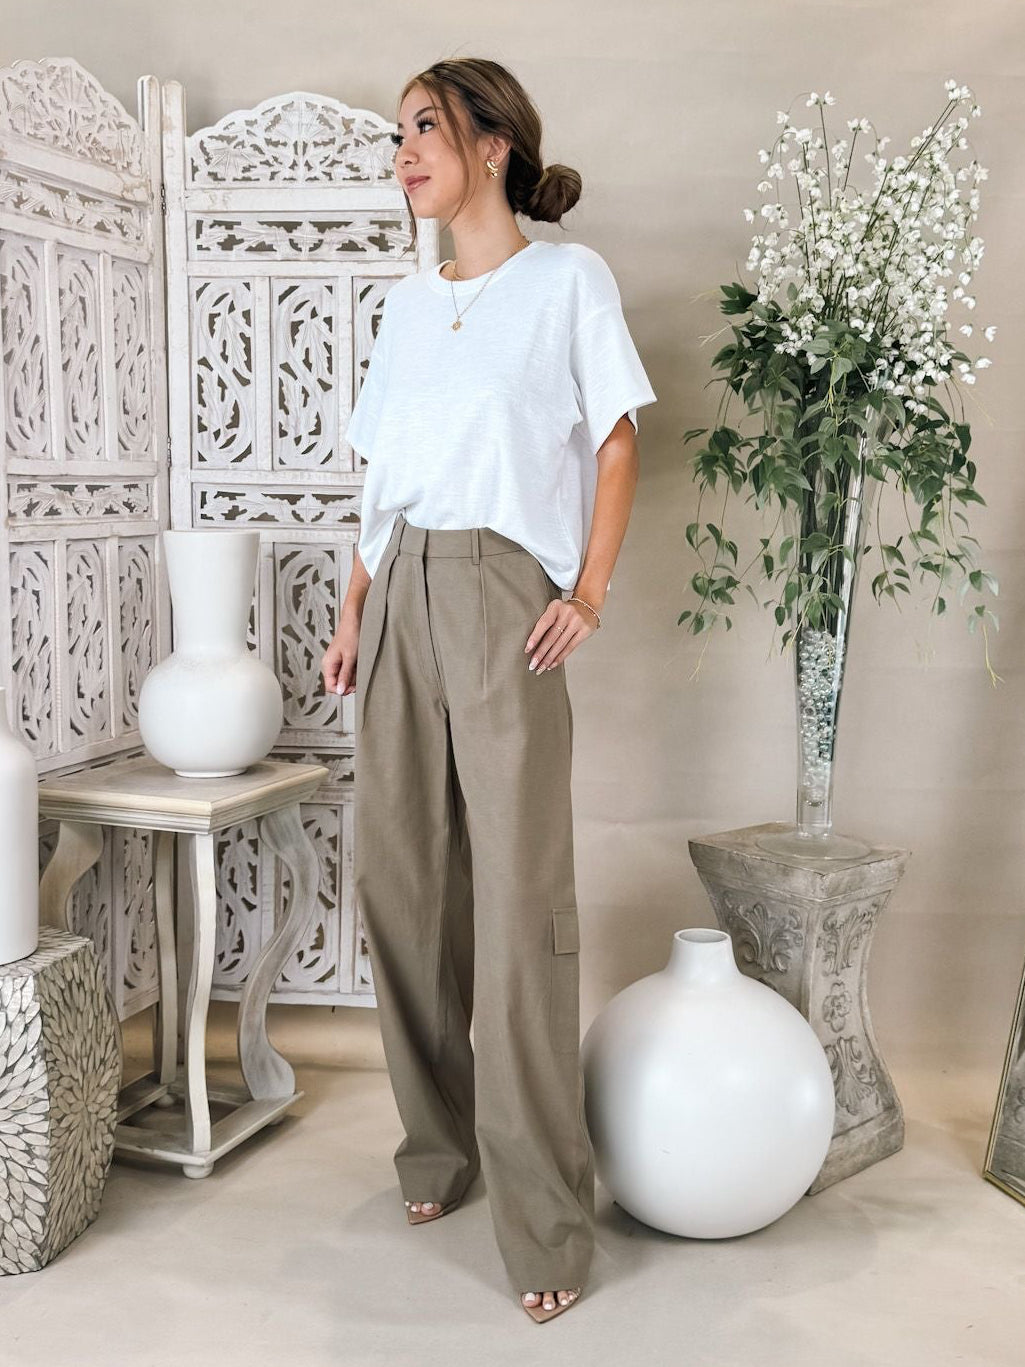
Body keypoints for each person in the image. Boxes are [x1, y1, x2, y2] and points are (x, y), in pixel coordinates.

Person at [320, 56, 657, 1323]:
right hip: (400, 586)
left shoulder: (566, 282)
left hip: (504, 588)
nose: (402, 152)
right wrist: (353, 609)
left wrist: (588, 589)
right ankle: (436, 1147)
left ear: (492, 144)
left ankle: (546, 1215)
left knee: (516, 903)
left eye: (425, 128)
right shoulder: (409, 307)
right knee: (401, 883)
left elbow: (615, 437)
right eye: (396, 133)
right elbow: (383, 478)